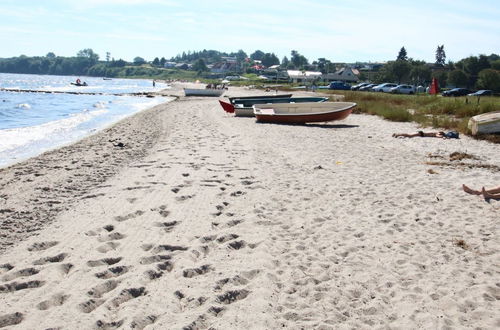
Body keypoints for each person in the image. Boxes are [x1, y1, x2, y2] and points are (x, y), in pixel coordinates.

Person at [392, 130, 459, 139]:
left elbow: (439, 135)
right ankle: (397, 134)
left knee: (409, 135)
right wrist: (444, 138)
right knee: (409, 135)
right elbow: (439, 136)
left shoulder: (437, 132)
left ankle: (397, 134)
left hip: (422, 133)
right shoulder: (437, 133)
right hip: (422, 134)